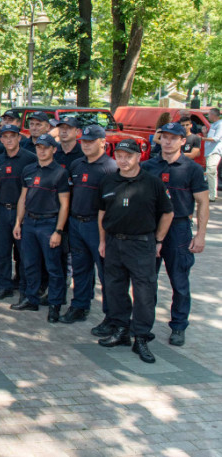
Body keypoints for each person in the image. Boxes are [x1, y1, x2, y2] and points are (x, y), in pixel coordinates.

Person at [97, 139, 174, 363]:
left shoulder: (152, 183)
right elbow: (102, 213)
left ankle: (141, 337)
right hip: (114, 242)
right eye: (119, 156)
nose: (123, 160)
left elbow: (168, 213)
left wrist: (158, 240)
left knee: (143, 293)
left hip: (141, 244)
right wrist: (102, 241)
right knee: (115, 288)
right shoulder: (108, 181)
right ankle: (121, 329)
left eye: (128, 156)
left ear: (139, 157)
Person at [142, 122, 209, 346]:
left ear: (183, 141)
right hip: (151, 228)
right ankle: (143, 324)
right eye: (164, 137)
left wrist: (200, 235)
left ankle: (179, 326)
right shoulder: (148, 166)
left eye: (173, 138)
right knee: (146, 280)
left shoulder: (192, 169)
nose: (168, 142)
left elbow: (202, 202)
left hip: (178, 229)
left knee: (179, 281)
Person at [62, 125, 118, 326]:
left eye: (90, 142)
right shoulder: (77, 164)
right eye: (83, 141)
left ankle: (111, 316)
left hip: (97, 226)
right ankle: (79, 306)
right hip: (76, 223)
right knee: (80, 268)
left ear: (102, 142)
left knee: (106, 273)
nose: (85, 145)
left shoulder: (111, 168)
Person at [11, 134, 70, 321]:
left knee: (53, 267)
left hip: (49, 223)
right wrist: (18, 222)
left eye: (46, 148)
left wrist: (58, 231)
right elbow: (23, 198)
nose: (42, 151)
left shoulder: (60, 173)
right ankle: (31, 299)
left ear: (54, 149)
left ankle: (55, 305)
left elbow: (65, 204)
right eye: (39, 147)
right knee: (30, 264)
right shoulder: (29, 169)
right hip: (30, 222)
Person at [0, 124, 36, 301]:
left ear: (19, 138)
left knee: (24, 254)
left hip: (22, 212)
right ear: (1, 139)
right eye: (5, 137)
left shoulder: (30, 159)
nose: (9, 140)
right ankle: (5, 286)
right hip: (2, 210)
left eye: (12, 136)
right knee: (1, 252)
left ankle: (25, 288)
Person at [205, 107, 221, 202]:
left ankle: (211, 195)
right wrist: (205, 134)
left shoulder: (220, 124)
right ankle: (213, 194)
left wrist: (202, 139)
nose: (208, 116)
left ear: (213, 115)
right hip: (210, 151)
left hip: (215, 151)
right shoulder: (213, 124)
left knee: (210, 172)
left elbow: (216, 138)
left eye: (209, 114)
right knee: (213, 173)